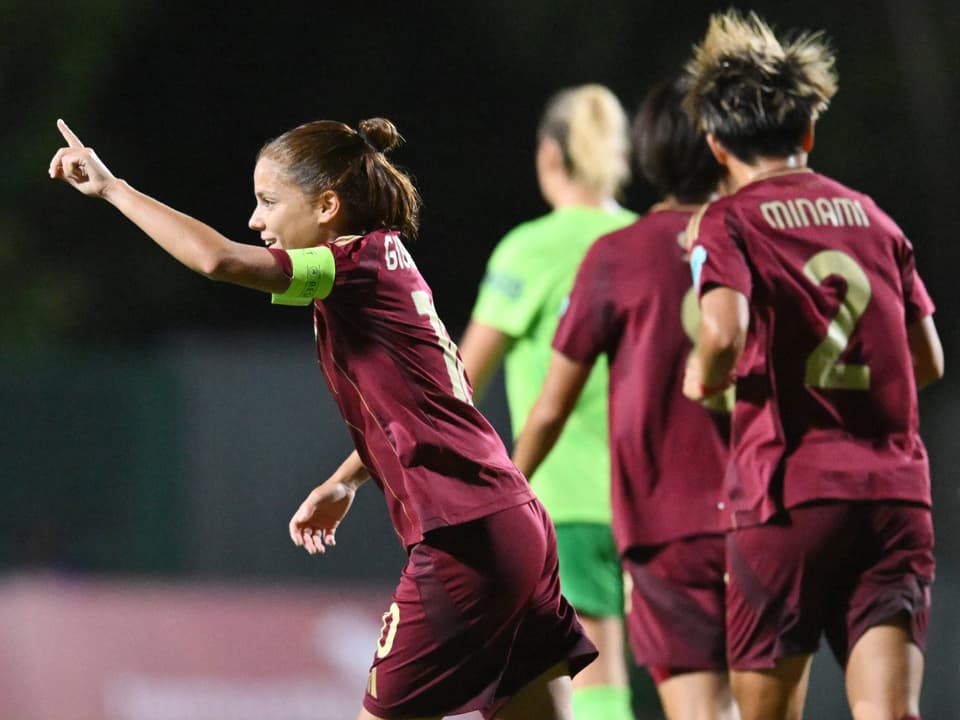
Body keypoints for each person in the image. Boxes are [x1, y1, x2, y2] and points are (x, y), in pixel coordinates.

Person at [49, 117, 598, 720]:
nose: (256, 220)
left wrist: (112, 188)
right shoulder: (388, 265)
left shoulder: (349, 268)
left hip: (463, 541)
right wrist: (345, 480)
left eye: (268, 201)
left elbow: (218, 261)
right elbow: (441, 401)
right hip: (516, 527)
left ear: (328, 206)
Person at [681, 10, 944, 720]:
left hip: (787, 493)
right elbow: (929, 359)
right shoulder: (875, 218)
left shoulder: (729, 220)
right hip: (893, 495)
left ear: (715, 144)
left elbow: (725, 332)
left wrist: (703, 377)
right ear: (808, 133)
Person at [511, 76, 738, 720]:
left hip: (641, 510)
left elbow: (478, 377)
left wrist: (499, 493)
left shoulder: (614, 253)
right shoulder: (744, 239)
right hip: (753, 503)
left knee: (619, 677)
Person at [458, 84, 637, 720]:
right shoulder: (648, 241)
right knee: (613, 666)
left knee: (557, 680)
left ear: (549, 156)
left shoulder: (531, 249)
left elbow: (459, 379)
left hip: (560, 497)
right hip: (648, 501)